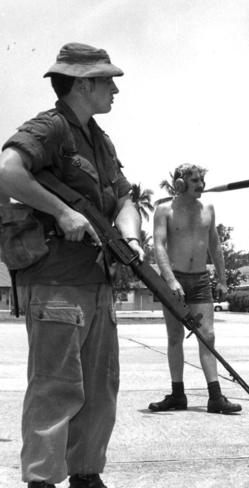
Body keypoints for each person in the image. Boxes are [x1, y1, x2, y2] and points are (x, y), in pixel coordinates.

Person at [0, 43, 144, 488]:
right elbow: (7, 171)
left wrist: (131, 235)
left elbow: (125, 197)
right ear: (83, 83)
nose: (115, 89)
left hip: (95, 282)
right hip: (56, 280)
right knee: (56, 386)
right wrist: (61, 212)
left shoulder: (98, 139)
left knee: (101, 388)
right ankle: (42, 480)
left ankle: (85, 474)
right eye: (108, 80)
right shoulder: (51, 128)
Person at [148, 163, 242, 414]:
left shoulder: (208, 209)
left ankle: (215, 397)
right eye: (196, 181)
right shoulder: (163, 210)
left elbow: (215, 245)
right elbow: (159, 245)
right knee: (175, 337)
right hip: (174, 280)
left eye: (202, 180)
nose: (202, 186)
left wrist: (222, 279)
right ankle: (177, 394)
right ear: (180, 184)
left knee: (208, 336)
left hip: (200, 280)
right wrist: (170, 280)